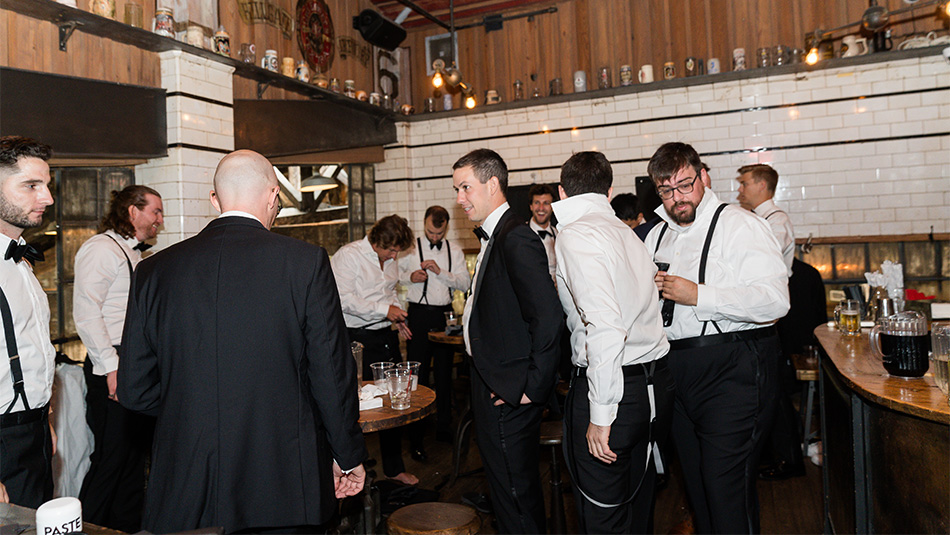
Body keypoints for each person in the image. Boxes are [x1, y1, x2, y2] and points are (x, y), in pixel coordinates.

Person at [117, 149, 366, 533]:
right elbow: (330, 372)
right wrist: (347, 455)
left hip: (187, 480)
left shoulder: (153, 271)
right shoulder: (304, 262)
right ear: (273, 197)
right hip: (283, 479)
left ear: (214, 199)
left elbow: (134, 389)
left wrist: (192, 410)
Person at [643, 142, 789, 534]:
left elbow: (776, 300)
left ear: (703, 176)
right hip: (675, 369)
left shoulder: (741, 225)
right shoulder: (655, 237)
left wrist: (700, 295)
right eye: (666, 190)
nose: (678, 198)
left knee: (725, 487)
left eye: (685, 185)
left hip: (733, 368)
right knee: (697, 487)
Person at [553, 152, 674, 534]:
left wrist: (601, 413)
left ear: (561, 191)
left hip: (614, 391)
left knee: (603, 517)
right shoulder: (627, 232)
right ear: (608, 191)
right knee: (637, 510)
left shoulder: (575, 234)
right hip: (652, 387)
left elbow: (604, 327)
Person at [453, 148, 561, 534]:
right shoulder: (496, 235)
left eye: (466, 187)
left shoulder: (516, 237)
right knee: (506, 494)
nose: (460, 198)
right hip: (493, 382)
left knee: (516, 498)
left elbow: (548, 318)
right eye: (457, 189)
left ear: (493, 184)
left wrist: (532, 386)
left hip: (510, 389)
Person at [73, 185, 163, 532]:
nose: (159, 220)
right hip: (110, 362)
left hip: (130, 360)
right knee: (111, 459)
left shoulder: (133, 253)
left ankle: (124, 528)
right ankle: (85, 527)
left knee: (131, 458)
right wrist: (112, 367)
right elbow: (86, 313)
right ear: (132, 212)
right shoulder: (100, 249)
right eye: (154, 211)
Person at [332, 215, 418, 486]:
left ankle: (394, 469)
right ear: (375, 240)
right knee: (357, 404)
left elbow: (389, 292)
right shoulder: (349, 256)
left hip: (385, 336)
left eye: (397, 251)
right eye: (390, 250)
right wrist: (385, 310)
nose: (394, 255)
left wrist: (397, 316)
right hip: (355, 338)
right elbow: (343, 299)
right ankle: (354, 465)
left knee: (392, 401)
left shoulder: (391, 259)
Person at [0, 136, 56, 509]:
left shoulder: (21, 260)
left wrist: (44, 416)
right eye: (31, 186)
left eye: (47, 185)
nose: (48, 198)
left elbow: (30, 345)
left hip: (30, 429)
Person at [399, 206, 471, 457]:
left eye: (439, 234)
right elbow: (394, 277)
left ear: (446, 228)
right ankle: (415, 437)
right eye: (430, 232)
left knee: (443, 375)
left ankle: (443, 428)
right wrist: (411, 277)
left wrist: (442, 272)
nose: (434, 238)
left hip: (445, 317)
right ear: (424, 224)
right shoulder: (410, 248)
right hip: (418, 314)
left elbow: (465, 283)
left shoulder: (455, 250)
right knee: (416, 376)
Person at [736, 164, 794, 275]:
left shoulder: (778, 220)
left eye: (744, 184)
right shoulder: (749, 216)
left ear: (762, 185)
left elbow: (766, 255)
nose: (740, 189)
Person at [527, 183, 557, 281]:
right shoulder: (520, 234)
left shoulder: (558, 234)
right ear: (531, 206)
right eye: (537, 203)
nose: (541, 208)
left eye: (546, 203)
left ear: (552, 207)